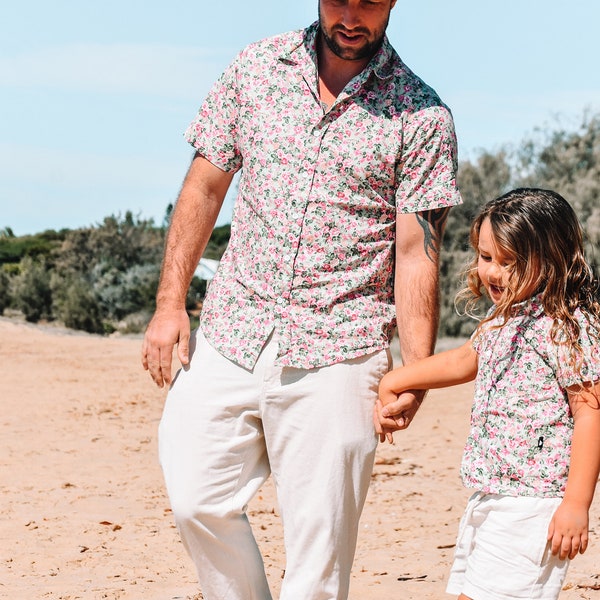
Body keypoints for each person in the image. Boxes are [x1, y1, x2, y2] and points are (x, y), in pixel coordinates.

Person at [142, 1, 462, 598]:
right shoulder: (256, 68)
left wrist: (416, 370)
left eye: (369, 3)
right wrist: (169, 304)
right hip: (234, 326)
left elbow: (416, 249)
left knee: (319, 552)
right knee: (194, 496)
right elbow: (205, 186)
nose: (351, 17)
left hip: (341, 345)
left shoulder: (422, 114)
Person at [375, 188, 600, 600]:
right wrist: (399, 379)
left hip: (532, 503)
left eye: (510, 262)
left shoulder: (567, 326)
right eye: (485, 257)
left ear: (552, 259)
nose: (493, 273)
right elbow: (464, 359)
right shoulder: (504, 318)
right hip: (488, 495)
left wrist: (576, 505)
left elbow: (590, 415)